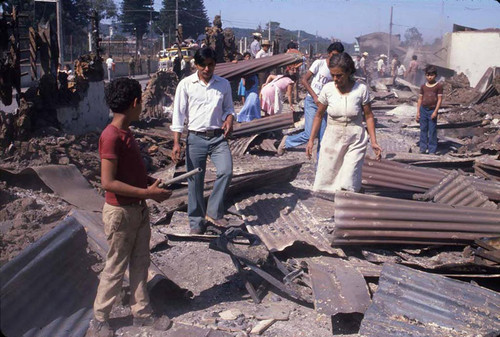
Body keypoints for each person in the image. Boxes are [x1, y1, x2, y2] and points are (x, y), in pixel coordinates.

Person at [88, 78, 172, 337]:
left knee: (140, 262)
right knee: (115, 266)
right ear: (135, 103)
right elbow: (108, 182)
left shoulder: (126, 133)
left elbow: (129, 174)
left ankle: (142, 314)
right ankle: (99, 320)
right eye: (141, 103)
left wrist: (149, 184)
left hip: (138, 209)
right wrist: (148, 193)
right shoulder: (110, 136)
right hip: (121, 214)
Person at [171, 47, 235, 234]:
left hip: (218, 138)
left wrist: (229, 119)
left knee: (226, 171)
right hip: (195, 138)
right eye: (203, 65)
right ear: (196, 65)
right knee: (195, 181)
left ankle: (213, 212)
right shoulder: (186, 84)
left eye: (211, 65)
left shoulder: (223, 84)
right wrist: (176, 142)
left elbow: (229, 108)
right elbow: (178, 115)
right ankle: (196, 222)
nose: (207, 69)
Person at [306, 52, 382, 193]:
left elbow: (369, 116)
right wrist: (311, 140)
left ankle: (350, 208)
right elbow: (319, 115)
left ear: (348, 72)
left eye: (339, 75)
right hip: (332, 137)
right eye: (333, 75)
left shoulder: (361, 89)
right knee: (327, 178)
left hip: (355, 137)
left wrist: (374, 141)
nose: (335, 79)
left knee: (349, 178)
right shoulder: (328, 89)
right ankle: (333, 208)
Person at [278, 42, 345, 156]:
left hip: (325, 105)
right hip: (312, 102)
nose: (335, 57)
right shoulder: (319, 64)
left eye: (338, 56)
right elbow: (304, 80)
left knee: (323, 138)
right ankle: (287, 142)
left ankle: (320, 167)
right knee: (310, 134)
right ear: (329, 53)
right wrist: (315, 97)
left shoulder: (337, 70)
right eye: (333, 55)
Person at [417, 65, 443, 154]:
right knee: (423, 129)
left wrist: (435, 111)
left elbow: (439, 100)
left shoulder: (438, 86)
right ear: (425, 75)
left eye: (431, 75)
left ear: (435, 75)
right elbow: (420, 99)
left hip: (432, 110)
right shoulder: (423, 86)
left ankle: (432, 150)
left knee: (432, 130)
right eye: (427, 75)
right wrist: (418, 112)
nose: (429, 77)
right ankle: (423, 148)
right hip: (423, 110)